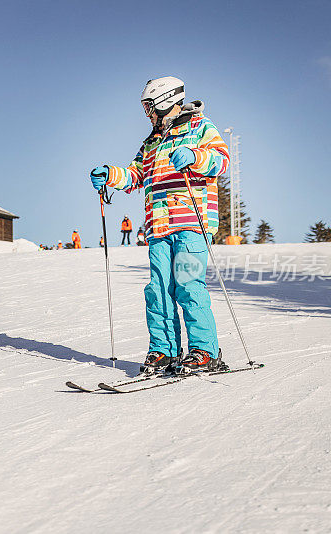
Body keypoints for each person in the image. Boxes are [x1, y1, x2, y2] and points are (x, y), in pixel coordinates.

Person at [89, 76, 229, 374]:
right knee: (158, 289)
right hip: (158, 228)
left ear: (165, 101)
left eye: (149, 106)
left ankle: (204, 350)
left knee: (188, 284)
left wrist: (194, 155)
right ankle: (164, 351)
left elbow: (220, 161)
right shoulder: (151, 142)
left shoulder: (200, 127)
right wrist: (111, 175)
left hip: (191, 224)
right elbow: (135, 175)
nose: (147, 113)